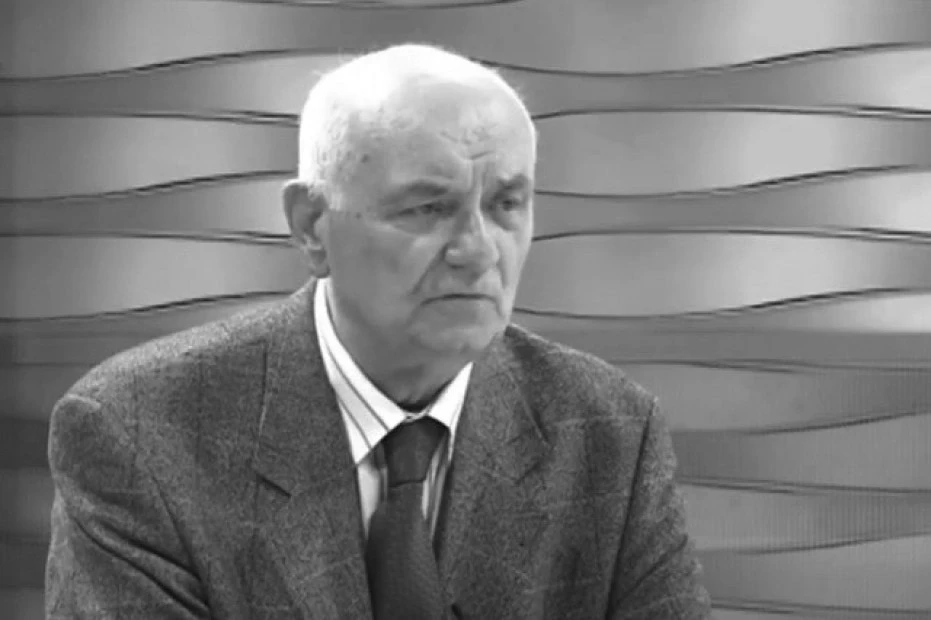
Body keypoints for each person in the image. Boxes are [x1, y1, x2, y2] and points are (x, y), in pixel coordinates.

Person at [45, 43, 711, 619]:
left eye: (506, 204)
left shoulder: (610, 435)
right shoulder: (141, 434)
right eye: (427, 208)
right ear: (312, 225)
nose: (479, 250)